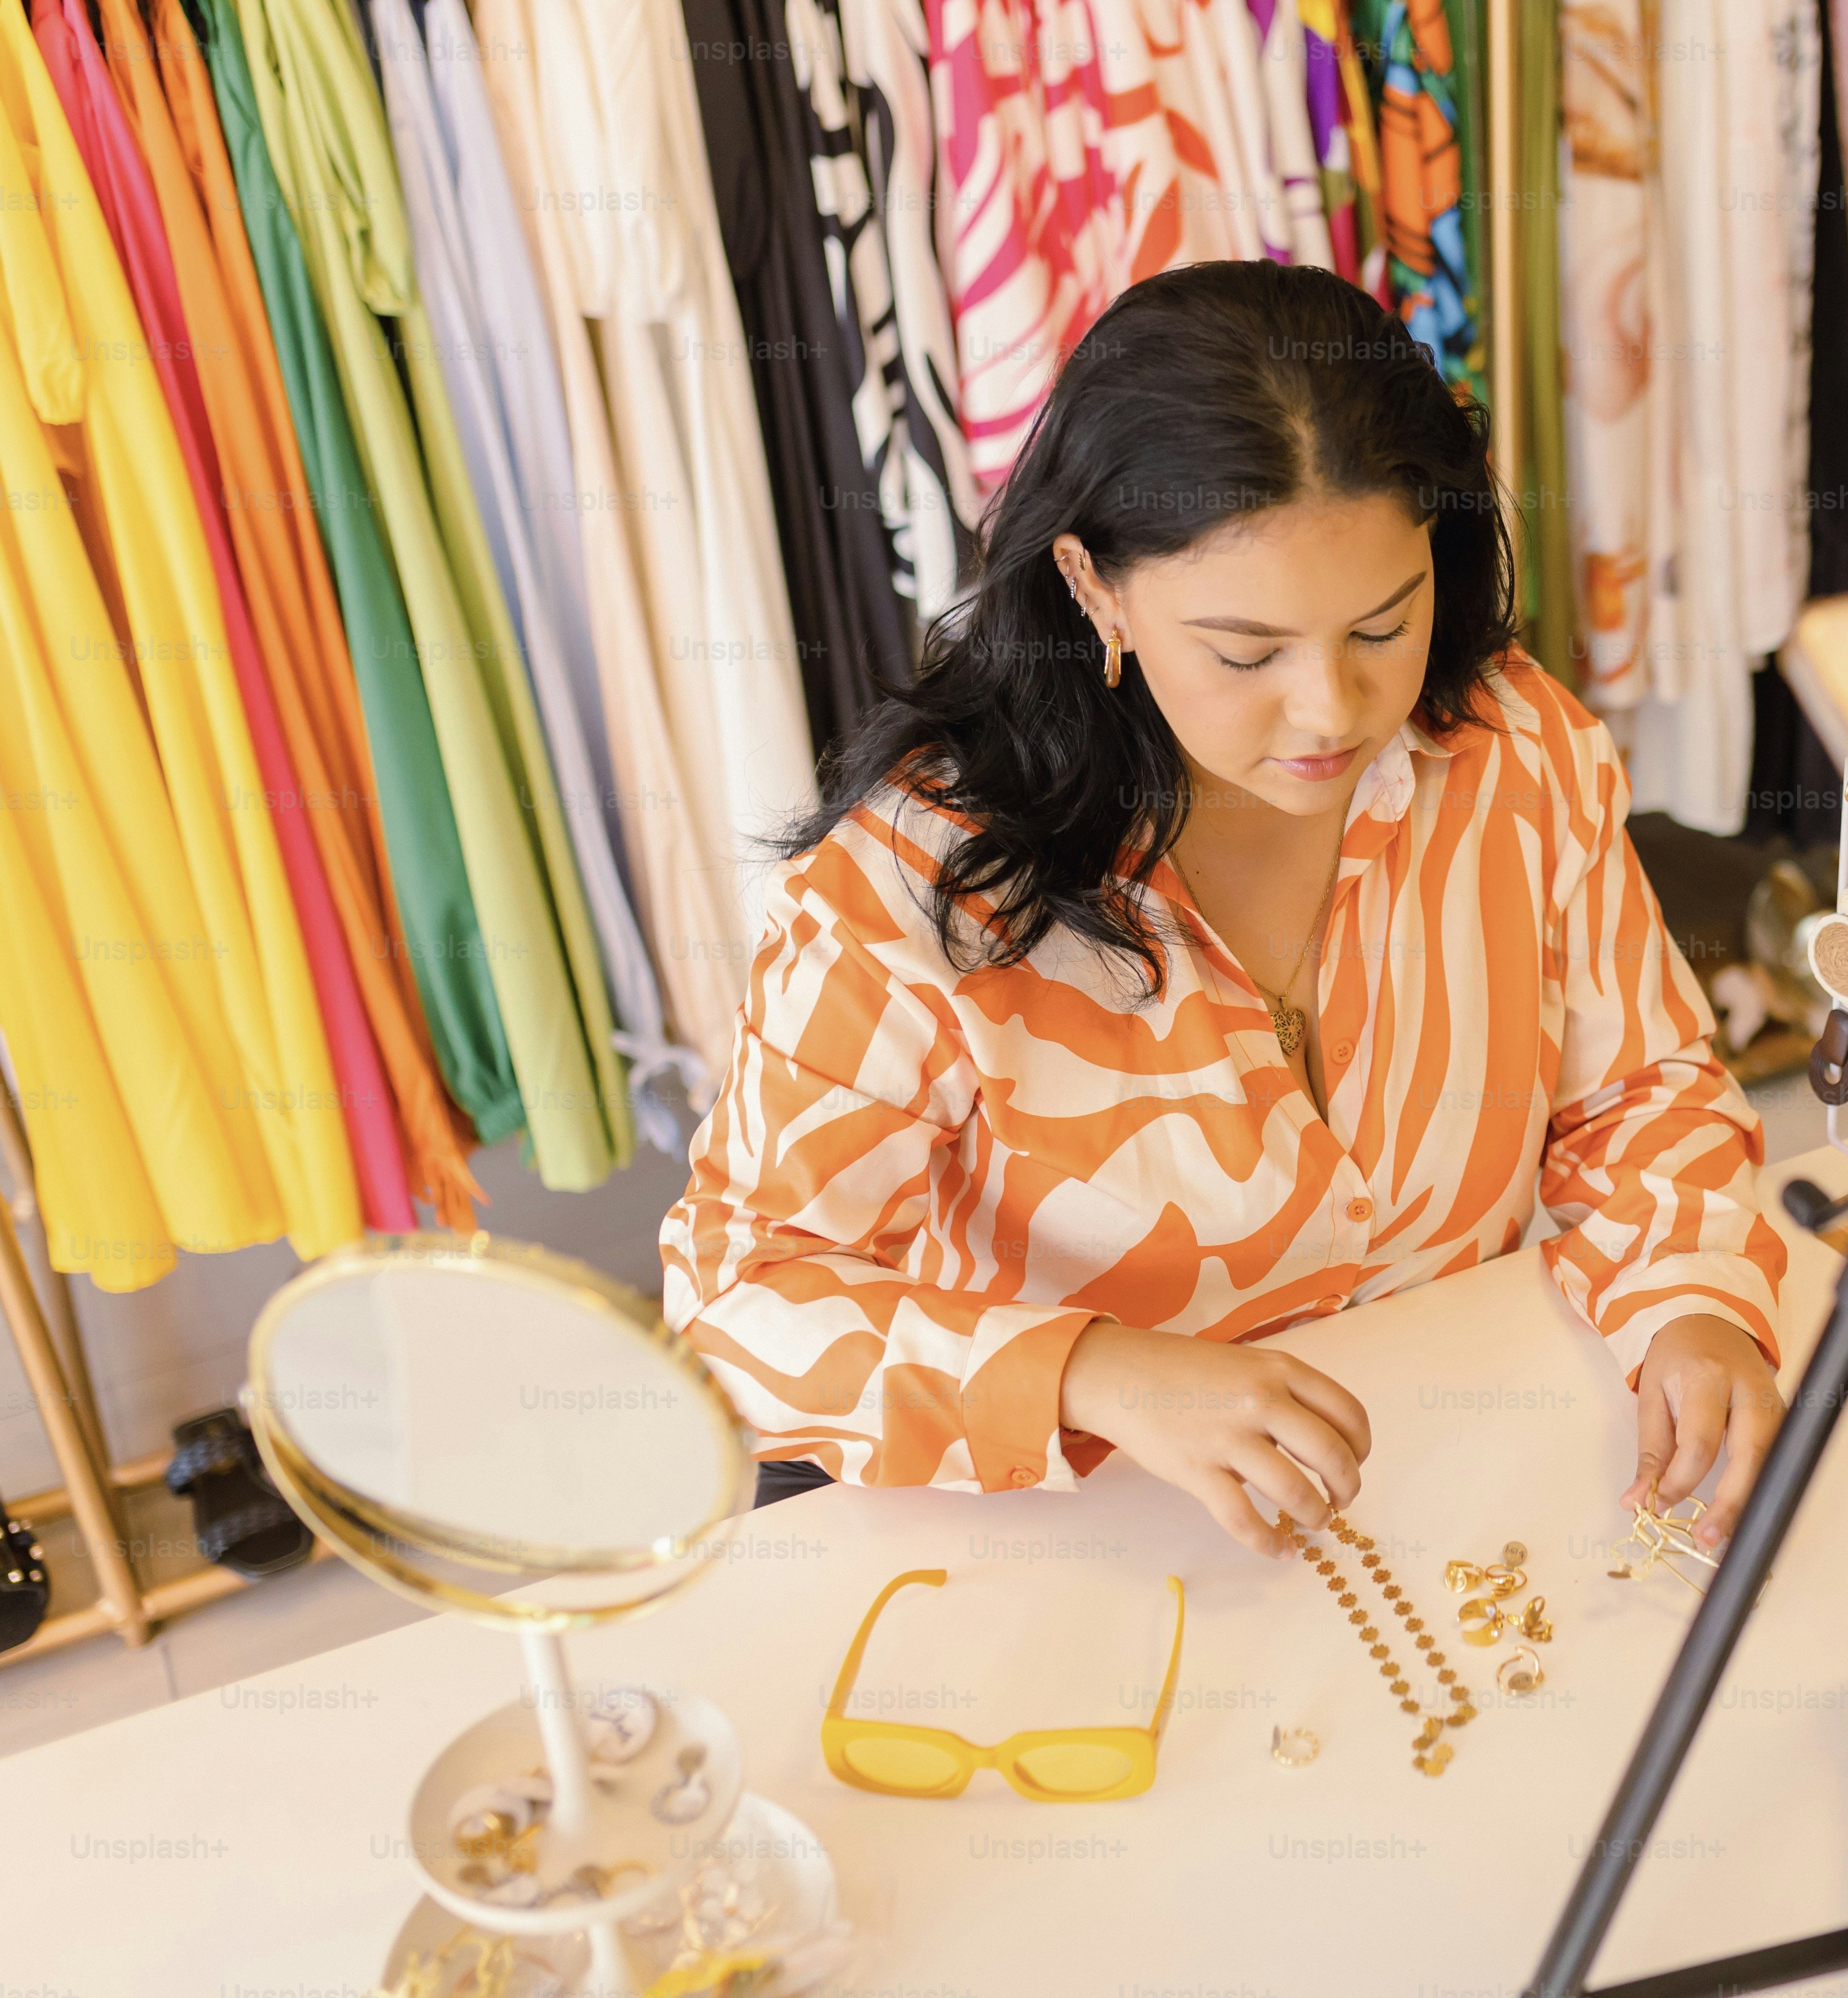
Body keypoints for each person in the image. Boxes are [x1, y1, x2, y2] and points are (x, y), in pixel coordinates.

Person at [660, 261, 1790, 1560]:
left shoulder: (1514, 749)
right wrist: (1096, 1373)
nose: (1331, 712)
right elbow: (735, 1299)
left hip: (1449, 1489)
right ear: (1093, 587)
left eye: (1384, 627)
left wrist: (1692, 1301)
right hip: (1084, 1551)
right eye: (1247, 653)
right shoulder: (913, 892)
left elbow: (1640, 1088)